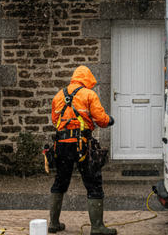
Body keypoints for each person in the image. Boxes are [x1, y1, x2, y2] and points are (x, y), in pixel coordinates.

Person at [48, 65, 116, 235]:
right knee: (93, 183)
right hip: (81, 145)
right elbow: (100, 119)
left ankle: (54, 223)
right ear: (87, 79)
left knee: (60, 182)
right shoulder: (89, 94)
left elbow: (55, 120)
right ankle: (97, 227)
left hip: (61, 145)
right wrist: (109, 120)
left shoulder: (59, 95)